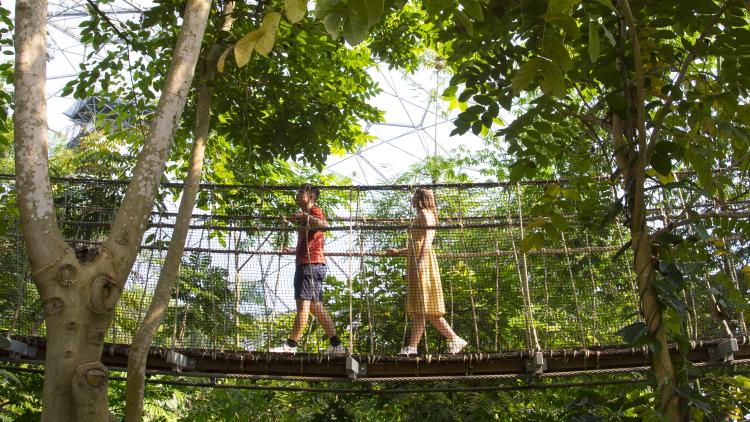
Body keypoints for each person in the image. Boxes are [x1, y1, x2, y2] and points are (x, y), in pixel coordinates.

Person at [387, 188, 467, 355]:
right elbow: (417, 243)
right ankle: (452, 339)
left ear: (421, 198)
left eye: (415, 196)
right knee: (424, 308)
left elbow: (427, 241)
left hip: (422, 262)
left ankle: (414, 347)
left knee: (423, 306)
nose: (412, 199)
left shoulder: (425, 213)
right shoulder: (423, 214)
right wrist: (398, 252)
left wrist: (420, 265)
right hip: (417, 260)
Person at [270, 185, 345, 355]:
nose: (296, 195)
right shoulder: (307, 216)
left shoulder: (314, 211)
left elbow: (325, 225)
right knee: (315, 307)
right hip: (312, 264)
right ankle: (336, 346)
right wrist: (293, 250)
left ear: (311, 196)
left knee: (303, 307)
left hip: (310, 266)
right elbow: (311, 242)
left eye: (300, 193)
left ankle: (291, 346)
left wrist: (305, 215)